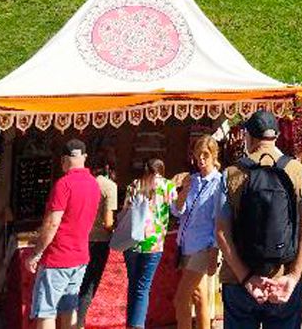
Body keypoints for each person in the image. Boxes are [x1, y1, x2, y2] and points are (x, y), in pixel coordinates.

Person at [216, 111, 302, 329]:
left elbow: (221, 232)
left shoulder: (231, 174)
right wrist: (294, 275)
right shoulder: (299, 171)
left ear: (248, 137)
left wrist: (246, 278)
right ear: (276, 136)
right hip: (283, 278)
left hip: (238, 281)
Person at [28, 140, 101, 329]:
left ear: (63, 160)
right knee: (69, 308)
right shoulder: (94, 184)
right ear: (84, 157)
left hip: (58, 257)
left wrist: (36, 252)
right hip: (80, 255)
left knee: (46, 311)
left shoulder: (63, 184)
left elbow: (53, 222)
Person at [173, 135, 225, 329]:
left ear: (214, 156)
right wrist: (184, 191)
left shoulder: (219, 183)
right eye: (198, 155)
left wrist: (214, 251)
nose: (201, 159)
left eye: (205, 155)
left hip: (203, 247)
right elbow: (177, 210)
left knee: (180, 299)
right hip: (186, 245)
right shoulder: (192, 180)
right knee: (199, 297)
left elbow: (218, 220)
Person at [123, 158, 177, 329]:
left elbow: (125, 210)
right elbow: (177, 209)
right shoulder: (167, 185)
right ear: (161, 169)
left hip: (132, 241)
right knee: (143, 287)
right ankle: (137, 325)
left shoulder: (134, 184)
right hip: (153, 243)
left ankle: (130, 323)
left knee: (133, 284)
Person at [76, 155, 117, 329]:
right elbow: (108, 223)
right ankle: (79, 323)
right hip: (99, 240)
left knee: (78, 282)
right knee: (89, 284)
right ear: (108, 167)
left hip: (80, 238)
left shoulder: (83, 184)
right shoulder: (109, 187)